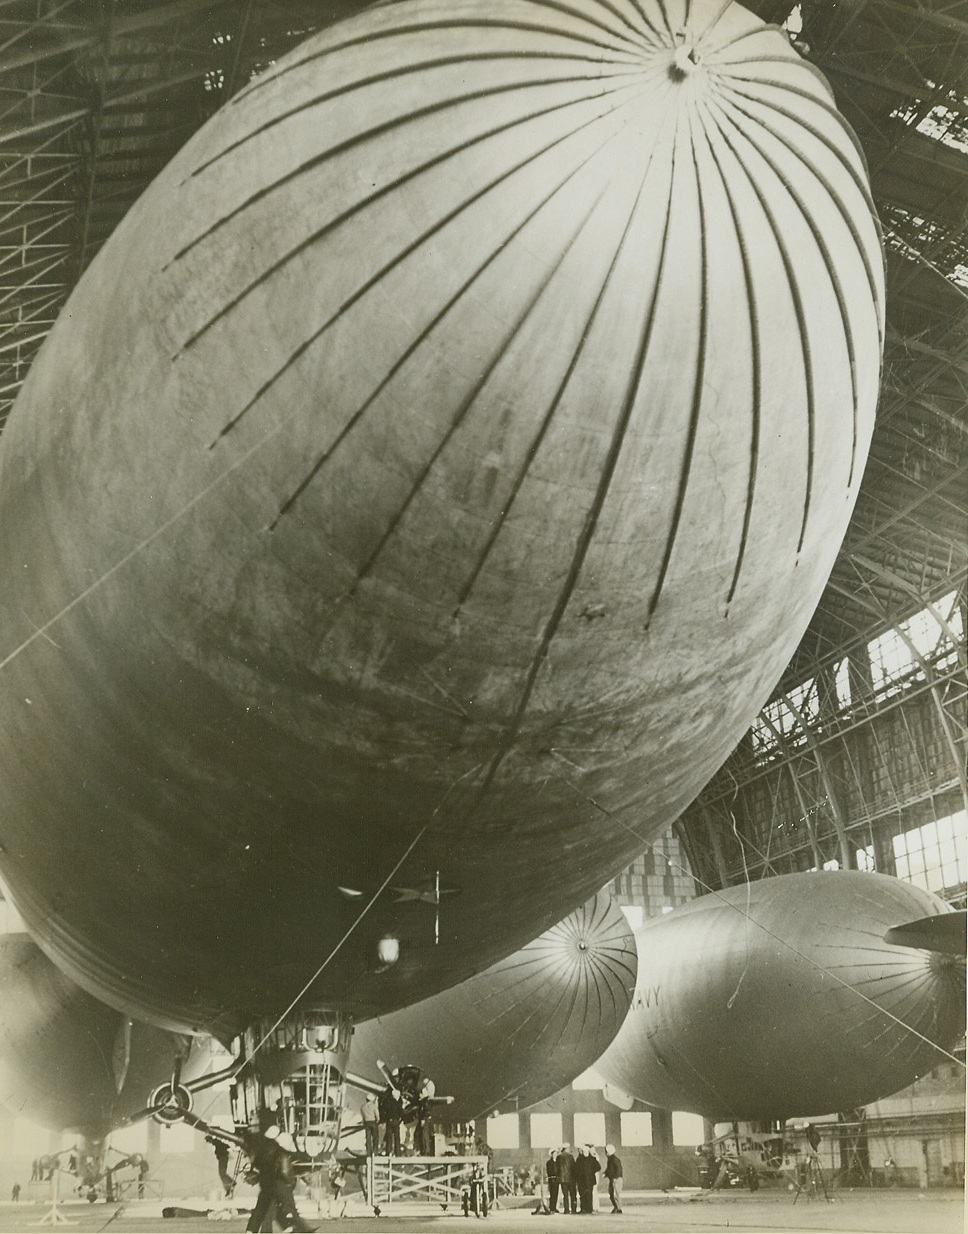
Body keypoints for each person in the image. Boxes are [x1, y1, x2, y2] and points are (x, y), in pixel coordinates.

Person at [575, 1146, 599, 1214]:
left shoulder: (579, 1159)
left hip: (582, 1181)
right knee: (589, 1195)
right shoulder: (592, 1159)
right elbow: (598, 1167)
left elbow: (576, 1170)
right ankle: (589, 1209)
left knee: (583, 1195)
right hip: (590, 1181)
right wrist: (591, 1172)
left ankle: (584, 1209)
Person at [557, 1145, 577, 1215]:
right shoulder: (570, 1157)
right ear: (566, 1149)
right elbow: (574, 1168)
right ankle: (574, 1209)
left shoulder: (558, 1157)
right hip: (571, 1179)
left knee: (565, 1195)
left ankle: (566, 1210)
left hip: (563, 1180)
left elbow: (557, 1169)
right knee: (573, 1195)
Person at [604, 1144, 623, 1213]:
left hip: (615, 1179)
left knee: (615, 1194)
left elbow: (616, 1169)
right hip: (614, 1179)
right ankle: (616, 1207)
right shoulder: (612, 1159)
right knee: (612, 1194)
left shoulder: (613, 1160)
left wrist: (614, 1177)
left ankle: (618, 1208)